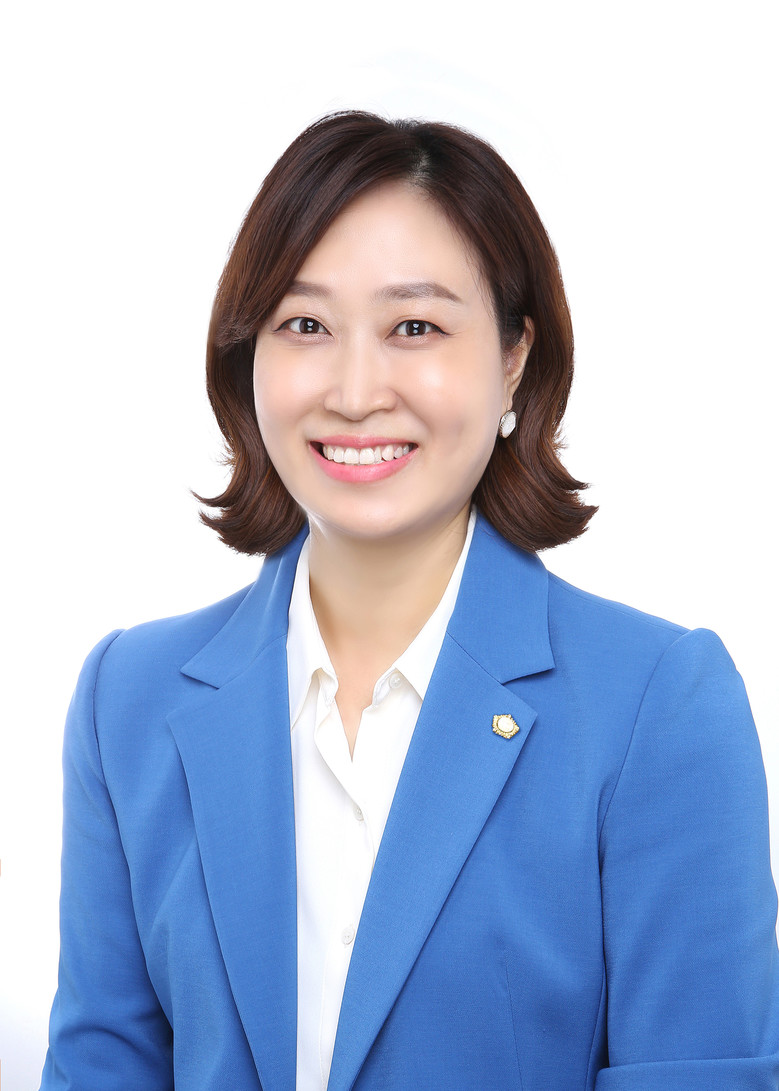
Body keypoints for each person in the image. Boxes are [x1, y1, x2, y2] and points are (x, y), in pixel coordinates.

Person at [40, 111, 779, 1090]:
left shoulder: (657, 705)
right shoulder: (127, 698)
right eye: (305, 325)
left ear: (513, 356)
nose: (354, 391)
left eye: (415, 327)